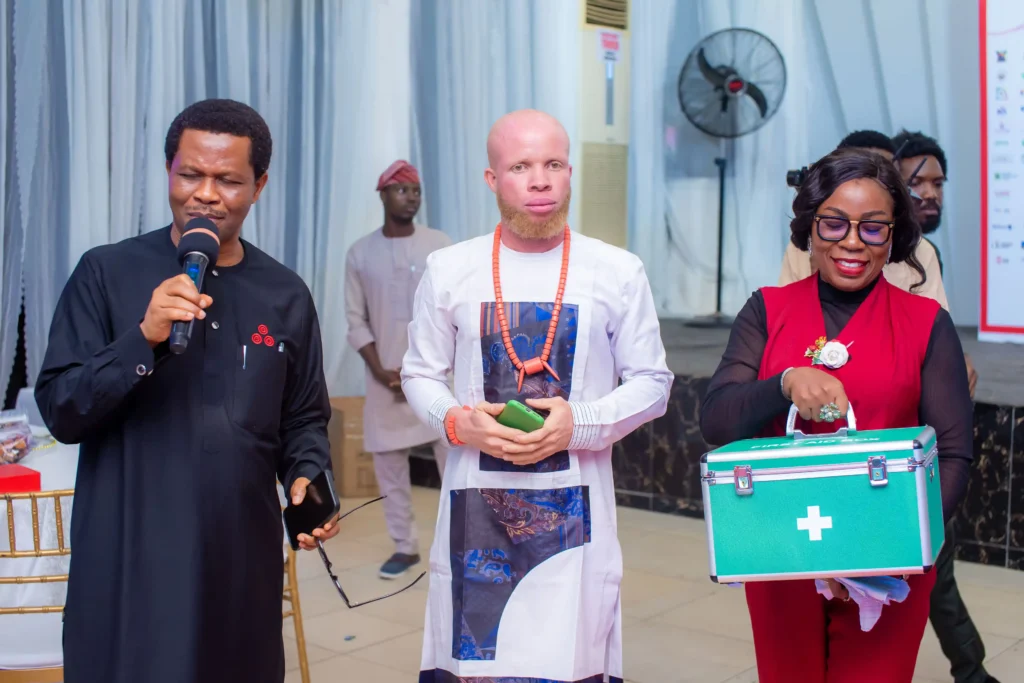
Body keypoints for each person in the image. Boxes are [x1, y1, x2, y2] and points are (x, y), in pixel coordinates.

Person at [35, 98, 339, 683]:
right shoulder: (104, 273)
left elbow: (303, 416)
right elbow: (61, 409)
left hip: (238, 561)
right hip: (129, 560)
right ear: (168, 171)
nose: (205, 194)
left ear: (259, 185)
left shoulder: (285, 294)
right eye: (190, 174)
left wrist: (307, 471)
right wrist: (143, 338)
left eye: (228, 180)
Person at [401, 109, 673, 682]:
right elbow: (419, 373)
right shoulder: (450, 268)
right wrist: (455, 421)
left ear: (570, 172)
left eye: (553, 164)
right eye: (521, 167)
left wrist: (581, 422)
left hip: (576, 511)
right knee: (476, 664)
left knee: (568, 661)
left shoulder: (617, 271)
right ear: (492, 178)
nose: (540, 181)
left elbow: (653, 383)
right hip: (475, 510)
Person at [701, 148, 974, 683]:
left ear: (893, 236)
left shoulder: (925, 323)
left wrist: (894, 548)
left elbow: (955, 453)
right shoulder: (767, 310)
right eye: (834, 223)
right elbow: (716, 419)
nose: (852, 242)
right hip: (783, 551)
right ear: (809, 226)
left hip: (890, 563)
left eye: (873, 228)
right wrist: (783, 383)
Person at [891, 129, 996, 683]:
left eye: (939, 183)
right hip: (875, 431)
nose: (931, 193)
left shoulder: (925, 253)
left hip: (921, 433)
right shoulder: (848, 250)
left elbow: (937, 332)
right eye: (919, 182)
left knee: (936, 560)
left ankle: (971, 670)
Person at [344, 160, 453, 580]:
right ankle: (404, 547)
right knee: (389, 466)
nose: (411, 198)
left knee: (455, 459)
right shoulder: (360, 253)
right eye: (402, 190)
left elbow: (453, 309)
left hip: (438, 377)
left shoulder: (439, 245)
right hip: (385, 376)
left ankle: (458, 542)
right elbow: (356, 320)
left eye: (416, 191)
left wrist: (431, 369)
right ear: (383, 195)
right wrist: (380, 370)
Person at [778, 130, 948, 309]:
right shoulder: (803, 248)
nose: (853, 243)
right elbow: (784, 316)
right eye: (834, 225)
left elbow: (932, 323)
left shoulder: (922, 252)